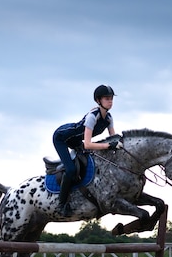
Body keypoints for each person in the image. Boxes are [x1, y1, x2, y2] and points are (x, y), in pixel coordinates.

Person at [52, 84, 123, 216]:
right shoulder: (92, 117)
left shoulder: (109, 118)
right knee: (71, 170)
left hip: (76, 140)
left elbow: (113, 138)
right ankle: (61, 205)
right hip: (61, 138)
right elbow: (88, 145)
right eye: (107, 98)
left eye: (111, 99)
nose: (110, 101)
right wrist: (109, 146)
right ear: (98, 101)